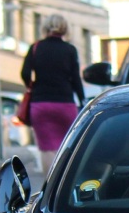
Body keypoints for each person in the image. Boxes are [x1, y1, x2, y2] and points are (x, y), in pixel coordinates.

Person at [21, 14, 84, 172]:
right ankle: (63, 185)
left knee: (47, 148)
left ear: (46, 27)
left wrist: (33, 86)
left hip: (41, 103)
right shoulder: (70, 50)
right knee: (66, 146)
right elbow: (76, 78)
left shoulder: (36, 47)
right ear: (64, 29)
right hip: (65, 103)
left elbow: (25, 72)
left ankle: (49, 188)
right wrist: (82, 99)